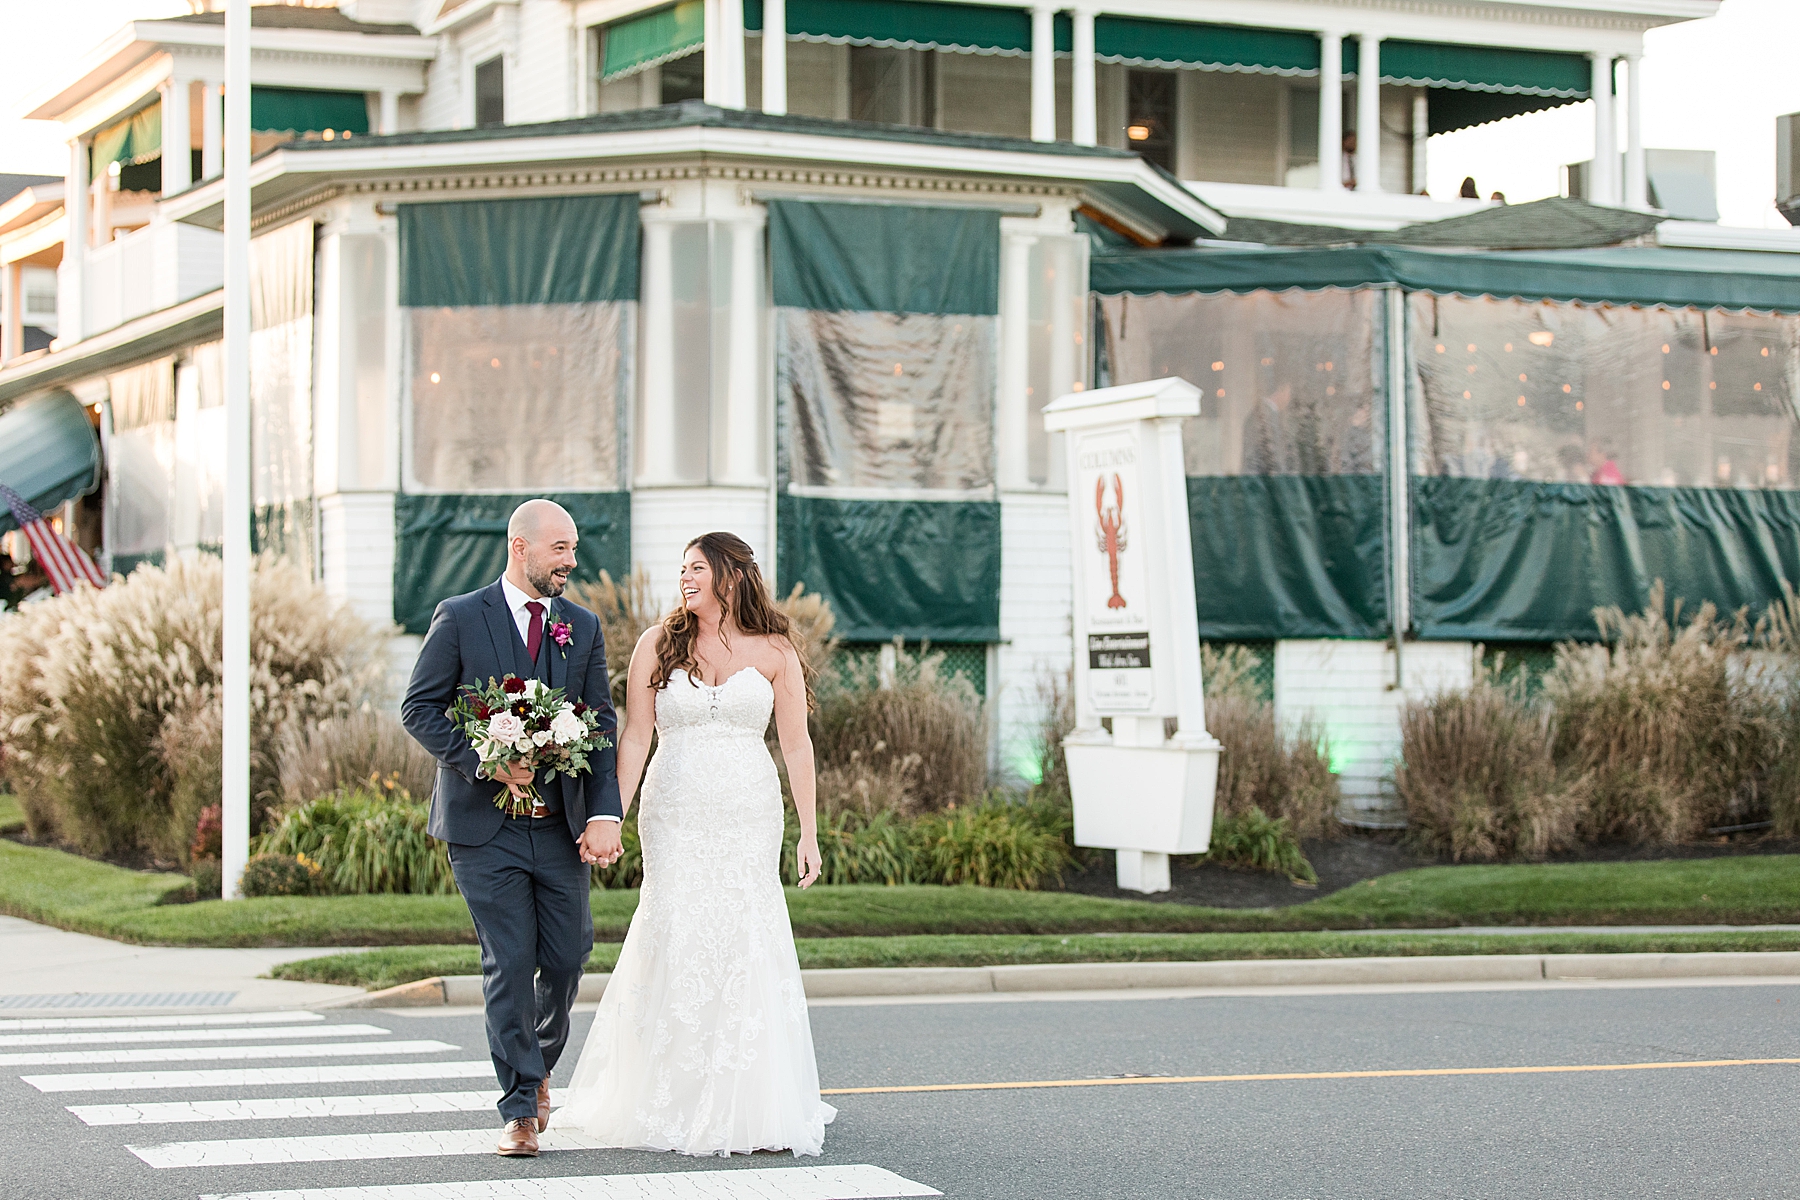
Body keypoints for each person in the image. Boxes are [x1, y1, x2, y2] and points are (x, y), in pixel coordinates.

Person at [559, 531, 836, 1157]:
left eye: (697, 569)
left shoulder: (774, 651)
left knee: (743, 933)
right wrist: (613, 816)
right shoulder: (658, 643)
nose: (686, 578)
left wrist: (809, 832)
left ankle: (747, 1096)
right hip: (674, 811)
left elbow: (796, 744)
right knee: (675, 927)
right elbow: (635, 737)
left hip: (747, 813)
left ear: (731, 577)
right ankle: (667, 1091)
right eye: (682, 568)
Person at [400, 498, 624, 1159]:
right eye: (561, 549)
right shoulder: (462, 617)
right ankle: (520, 1107)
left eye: (574, 550)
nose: (572, 562)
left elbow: (602, 725)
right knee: (510, 963)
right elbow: (419, 708)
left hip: (558, 829)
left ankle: (540, 1064)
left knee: (565, 957)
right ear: (520, 548)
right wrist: (487, 760)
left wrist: (604, 812)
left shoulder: (581, 627)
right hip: (483, 830)